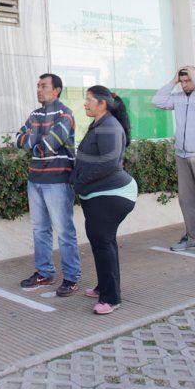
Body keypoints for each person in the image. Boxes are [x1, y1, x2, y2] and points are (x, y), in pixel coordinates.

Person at [71, 86, 136, 314]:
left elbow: (108, 164)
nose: (85, 104)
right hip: (99, 193)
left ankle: (111, 298)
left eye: (89, 100)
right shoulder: (100, 123)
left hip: (112, 194)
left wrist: (80, 182)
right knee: (103, 242)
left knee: (103, 242)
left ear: (102, 103)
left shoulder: (109, 126)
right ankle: (104, 287)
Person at [15, 74, 80, 296]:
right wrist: (35, 140)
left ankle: (71, 278)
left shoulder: (65, 115)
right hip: (35, 180)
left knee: (64, 232)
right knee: (39, 229)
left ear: (57, 90)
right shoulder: (34, 114)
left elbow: (48, 146)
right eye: (38, 86)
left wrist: (32, 140)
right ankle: (44, 273)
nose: (39, 90)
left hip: (58, 181)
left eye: (44, 86)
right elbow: (18, 139)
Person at [153, 65, 195, 257]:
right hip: (182, 154)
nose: (184, 85)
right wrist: (173, 81)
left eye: (188, 80)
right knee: (186, 199)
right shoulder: (177, 97)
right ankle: (191, 237)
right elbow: (157, 100)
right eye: (182, 81)